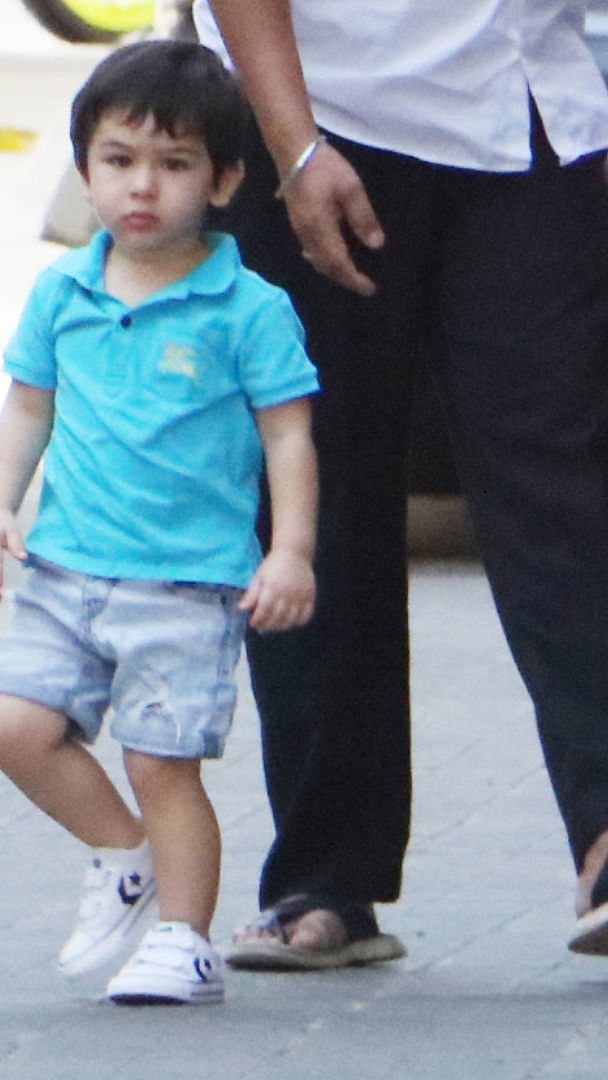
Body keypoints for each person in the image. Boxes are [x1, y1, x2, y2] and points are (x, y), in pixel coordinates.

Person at [197, 0, 608, 970]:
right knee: (318, 481)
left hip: (530, 110)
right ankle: (328, 871)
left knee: (562, 475)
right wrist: (294, 148)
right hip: (324, 109)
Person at [0, 40, 319, 1005]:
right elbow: (28, 407)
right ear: (85, 166)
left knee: (161, 760)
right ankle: (123, 855)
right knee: (9, 723)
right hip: (63, 569)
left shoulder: (249, 308)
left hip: (188, 578)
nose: (142, 188)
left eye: (174, 166)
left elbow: (289, 439)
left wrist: (290, 551)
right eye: (119, 161)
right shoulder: (64, 292)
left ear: (225, 180)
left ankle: (185, 937)